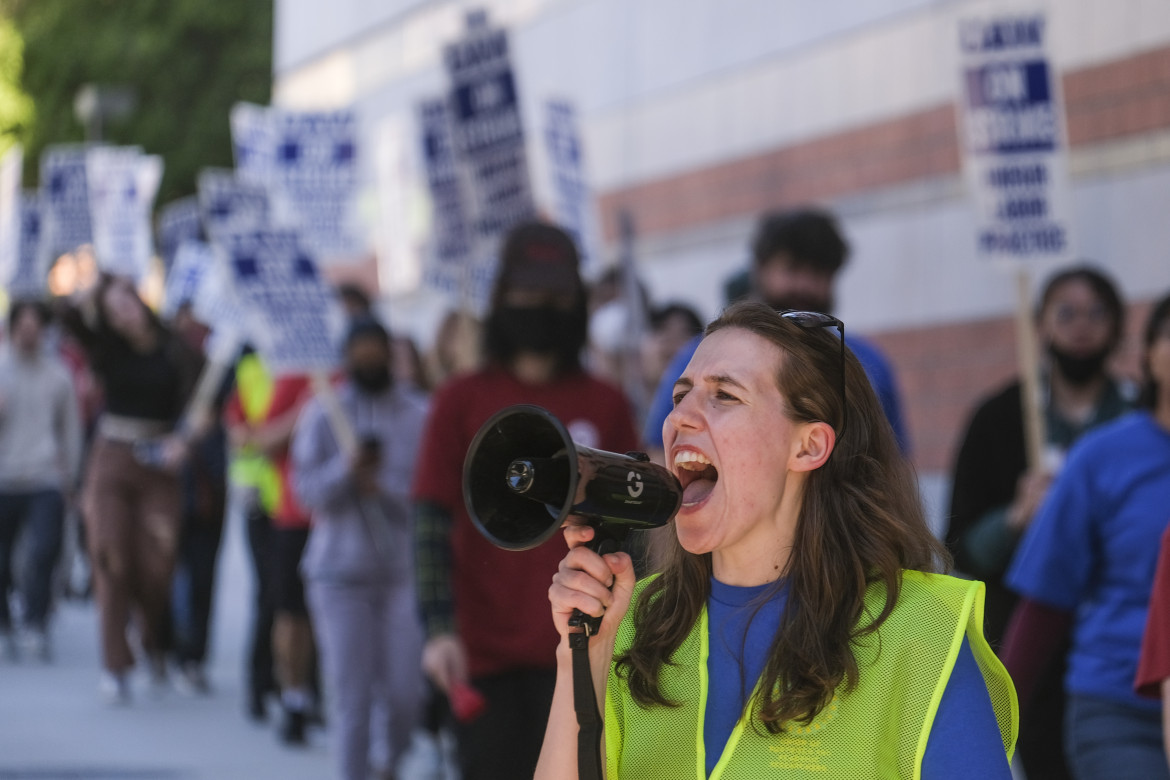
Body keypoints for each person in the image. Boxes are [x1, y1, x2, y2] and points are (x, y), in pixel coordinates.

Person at [538, 301, 1016, 779]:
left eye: (724, 395)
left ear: (808, 446)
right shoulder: (630, 623)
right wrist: (583, 656)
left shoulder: (921, 630)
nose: (680, 417)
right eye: (680, 395)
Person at [412, 221, 639, 780]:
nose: (542, 306)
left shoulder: (606, 403)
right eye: (528, 293)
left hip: (587, 650)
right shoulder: (460, 400)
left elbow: (635, 527)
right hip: (482, 656)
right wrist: (438, 630)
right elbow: (429, 523)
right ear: (501, 299)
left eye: (557, 295)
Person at [946, 266, 1131, 779]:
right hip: (1029, 641)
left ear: (1117, 327)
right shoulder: (999, 418)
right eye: (1066, 312)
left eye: (1097, 313)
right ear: (1041, 326)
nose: (1081, 326)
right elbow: (958, 545)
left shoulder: (1140, 419)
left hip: (1121, 644)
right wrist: (1016, 520)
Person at [1004, 292, 1170, 779]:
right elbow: (1047, 598)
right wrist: (991, 719)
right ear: (1150, 356)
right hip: (1119, 708)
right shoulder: (1101, 457)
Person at [640, 207, 908, 460]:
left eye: (818, 273)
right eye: (792, 269)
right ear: (760, 269)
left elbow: (893, 466)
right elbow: (663, 455)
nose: (805, 286)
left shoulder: (866, 365)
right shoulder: (702, 358)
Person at [292, 316, 430, 780]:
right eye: (360, 352)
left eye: (377, 350)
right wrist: (345, 471)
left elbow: (430, 493)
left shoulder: (418, 414)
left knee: (405, 693)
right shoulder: (322, 412)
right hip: (338, 576)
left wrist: (382, 484)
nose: (369, 360)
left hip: (401, 574)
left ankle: (388, 765)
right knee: (351, 697)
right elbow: (305, 491)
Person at [61, 274, 202, 703]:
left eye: (126, 299)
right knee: (111, 555)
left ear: (139, 300)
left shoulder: (175, 349)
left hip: (159, 463)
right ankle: (115, 663)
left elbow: (202, 403)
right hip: (112, 459)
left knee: (157, 563)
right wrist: (89, 287)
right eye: (111, 307)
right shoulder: (105, 349)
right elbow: (67, 316)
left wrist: (186, 441)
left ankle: (150, 629)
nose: (121, 309)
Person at [223, 350, 317, 742]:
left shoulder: (332, 372)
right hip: (277, 508)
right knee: (279, 604)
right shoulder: (258, 369)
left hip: (325, 517)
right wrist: (299, 421)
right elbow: (251, 434)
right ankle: (275, 689)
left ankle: (307, 694)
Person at [0, 300, 84, 660]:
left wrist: (71, 479)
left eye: (36, 329)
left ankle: (36, 622)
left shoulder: (58, 374)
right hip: (4, 477)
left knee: (43, 550)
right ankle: (7, 623)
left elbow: (71, 430)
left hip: (45, 477)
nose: (29, 335)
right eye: (23, 328)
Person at [167, 303, 230, 694]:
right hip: (167, 491)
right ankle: (167, 646)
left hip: (208, 493)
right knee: (167, 574)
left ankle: (193, 656)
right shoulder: (162, 365)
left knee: (203, 576)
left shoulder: (225, 364)